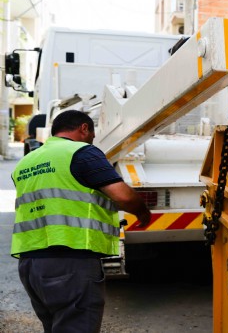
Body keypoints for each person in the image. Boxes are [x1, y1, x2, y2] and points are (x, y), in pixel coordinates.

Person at [10, 110, 151, 333]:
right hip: (70, 261)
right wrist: (143, 212)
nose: (92, 140)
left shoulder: (26, 162)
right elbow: (123, 196)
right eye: (92, 135)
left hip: (30, 265)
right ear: (84, 128)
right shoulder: (81, 152)